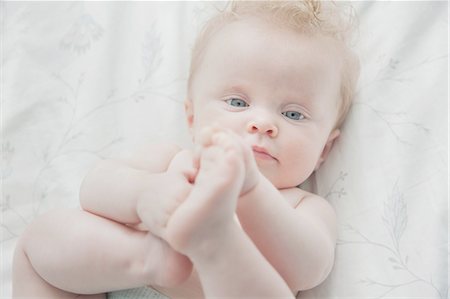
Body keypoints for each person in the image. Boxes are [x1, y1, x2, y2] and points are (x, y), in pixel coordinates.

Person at [12, 0, 359, 298]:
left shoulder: (302, 205)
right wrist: (145, 196)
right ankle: (149, 257)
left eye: (293, 114)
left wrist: (249, 190)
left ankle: (218, 244)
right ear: (192, 118)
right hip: (136, 278)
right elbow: (94, 189)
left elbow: (307, 269)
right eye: (238, 102)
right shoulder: (170, 163)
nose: (262, 124)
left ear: (325, 149)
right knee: (41, 240)